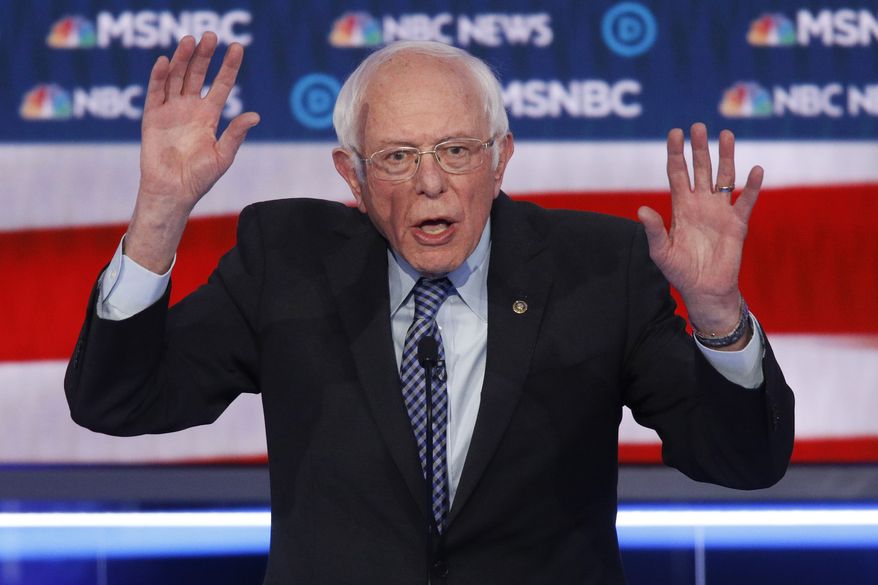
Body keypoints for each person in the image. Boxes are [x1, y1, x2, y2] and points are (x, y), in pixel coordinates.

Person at [65, 32, 794, 585]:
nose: (431, 183)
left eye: (454, 150)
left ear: (501, 157)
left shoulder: (596, 269)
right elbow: (116, 400)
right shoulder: (286, 258)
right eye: (396, 156)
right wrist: (160, 213)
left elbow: (745, 460)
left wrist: (718, 316)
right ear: (349, 173)